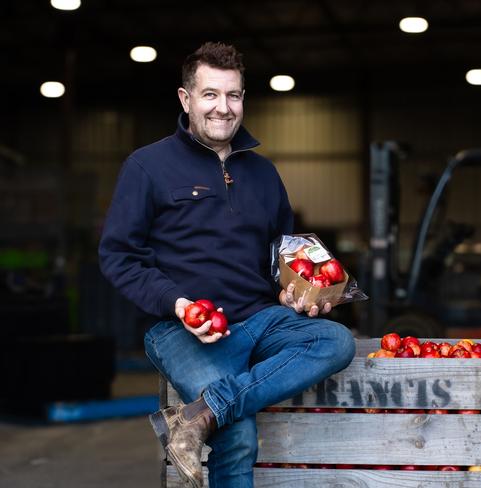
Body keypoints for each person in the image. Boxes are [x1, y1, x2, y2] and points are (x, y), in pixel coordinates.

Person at [98, 41, 356, 488]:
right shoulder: (147, 167)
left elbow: (281, 255)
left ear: (243, 99)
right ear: (186, 99)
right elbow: (118, 255)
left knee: (335, 342)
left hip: (260, 318)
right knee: (238, 435)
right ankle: (218, 414)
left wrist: (294, 291)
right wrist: (178, 304)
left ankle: (202, 413)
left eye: (233, 95)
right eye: (210, 94)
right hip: (180, 329)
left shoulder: (264, 174)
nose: (223, 107)